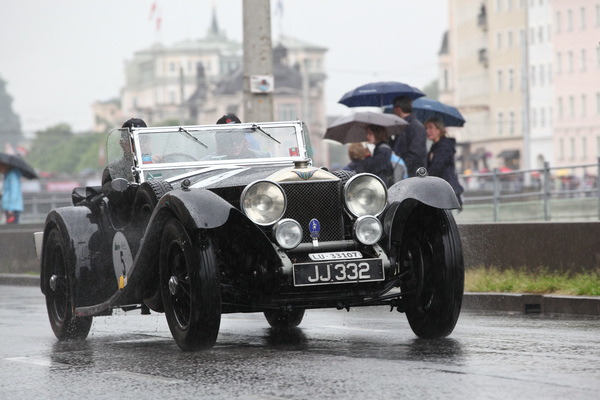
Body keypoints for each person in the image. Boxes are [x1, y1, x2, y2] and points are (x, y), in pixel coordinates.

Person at [425, 117, 464, 209]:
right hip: (441, 188)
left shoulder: (444, 146)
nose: (427, 131)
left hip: (445, 188)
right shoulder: (435, 146)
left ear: (439, 130)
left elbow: (437, 167)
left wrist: (427, 179)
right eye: (426, 128)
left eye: (430, 128)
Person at [389, 95, 427, 177]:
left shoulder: (416, 127)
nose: (393, 112)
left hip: (413, 175)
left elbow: (415, 154)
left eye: (393, 109)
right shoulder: (402, 126)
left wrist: (401, 164)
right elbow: (396, 148)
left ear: (398, 109)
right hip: (405, 173)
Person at [102, 118, 148, 185]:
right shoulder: (113, 170)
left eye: (144, 139)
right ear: (122, 144)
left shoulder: (157, 163)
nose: (141, 144)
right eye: (134, 141)